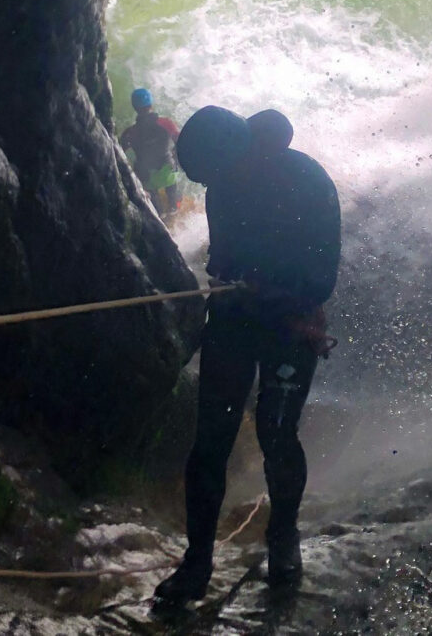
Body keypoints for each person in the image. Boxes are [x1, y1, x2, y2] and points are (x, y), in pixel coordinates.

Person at [153, 106, 341, 603]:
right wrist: (228, 282)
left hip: (291, 325)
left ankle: (282, 538)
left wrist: (267, 294)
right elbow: (226, 255)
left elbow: (322, 280)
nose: (218, 185)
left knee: (276, 434)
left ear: (252, 151)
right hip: (237, 319)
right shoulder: (225, 183)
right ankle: (196, 563)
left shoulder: (309, 181)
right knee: (210, 440)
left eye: (220, 174)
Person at [120, 88, 182, 215]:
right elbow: (181, 141)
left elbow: (121, 156)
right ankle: (174, 207)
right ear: (151, 104)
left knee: (157, 211)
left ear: (134, 107)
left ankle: (159, 213)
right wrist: (176, 157)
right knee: (174, 194)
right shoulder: (166, 123)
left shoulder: (130, 132)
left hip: (147, 178)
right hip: (168, 172)